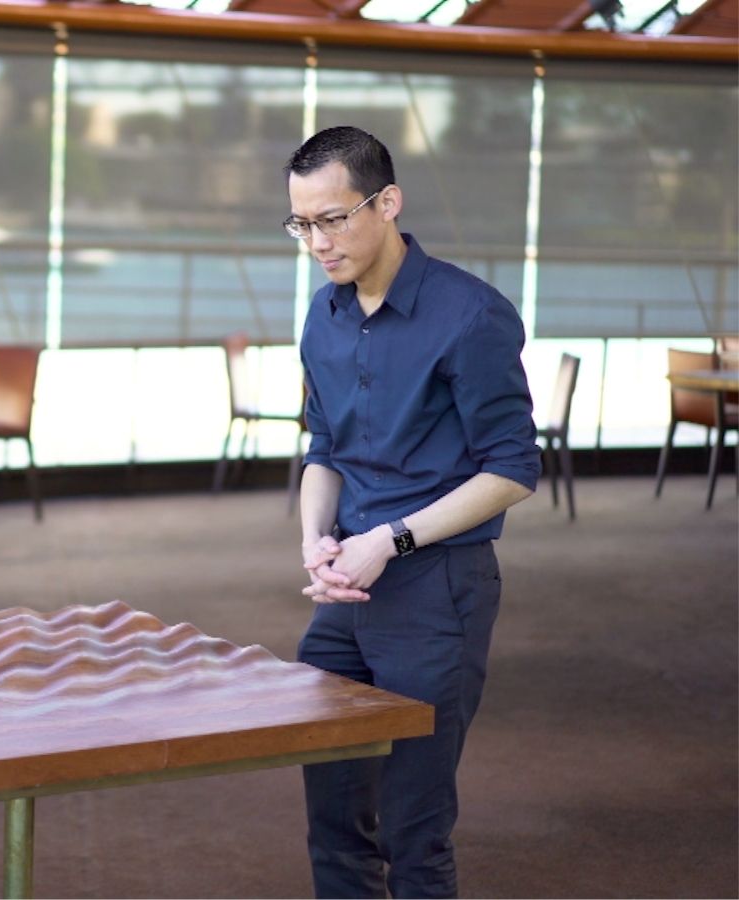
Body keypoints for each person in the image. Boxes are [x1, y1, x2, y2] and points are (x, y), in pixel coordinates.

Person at [285, 127, 540, 898]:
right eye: (301, 224)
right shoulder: (323, 316)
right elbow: (324, 447)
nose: (317, 243)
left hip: (437, 590)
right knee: (332, 819)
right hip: (348, 593)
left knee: (413, 830)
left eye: (333, 219)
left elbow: (514, 470)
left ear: (387, 202)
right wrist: (316, 542)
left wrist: (389, 540)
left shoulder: (470, 316)